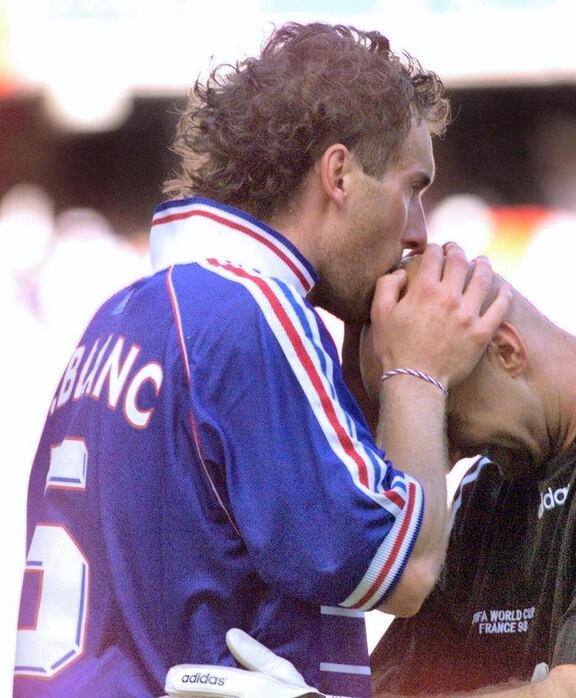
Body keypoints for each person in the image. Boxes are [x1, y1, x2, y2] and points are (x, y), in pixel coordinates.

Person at [13, 23, 510, 697]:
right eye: (412, 187)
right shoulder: (253, 312)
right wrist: (418, 369)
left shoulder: (123, 314)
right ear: (338, 174)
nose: (420, 228)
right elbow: (406, 570)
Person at [168, 258, 576, 697]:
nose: (434, 448)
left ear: (505, 349)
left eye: (438, 403)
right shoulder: (488, 489)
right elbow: (404, 685)